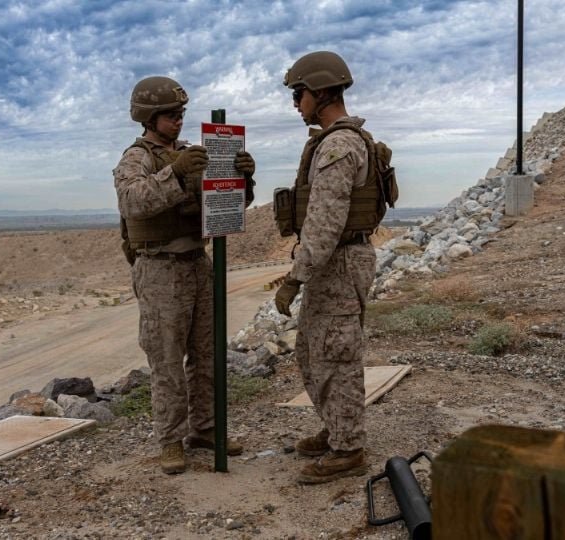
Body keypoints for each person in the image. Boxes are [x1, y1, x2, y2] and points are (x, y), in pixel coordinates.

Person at [113, 76, 255, 474]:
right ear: (148, 117)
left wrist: (243, 178)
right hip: (160, 269)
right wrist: (173, 174)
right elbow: (132, 201)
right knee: (167, 360)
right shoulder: (137, 158)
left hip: (197, 263)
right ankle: (171, 439)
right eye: (170, 115)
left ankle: (205, 429)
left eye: (180, 114)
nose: (178, 121)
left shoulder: (190, 154)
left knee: (207, 356)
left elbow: (225, 202)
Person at [274, 52, 379, 484]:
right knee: (313, 353)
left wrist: (294, 278)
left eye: (299, 94)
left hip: (336, 264)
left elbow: (324, 222)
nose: (296, 103)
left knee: (337, 355)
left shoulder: (338, 145)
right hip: (334, 264)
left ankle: (348, 449)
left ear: (320, 92)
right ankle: (337, 428)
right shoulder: (340, 140)